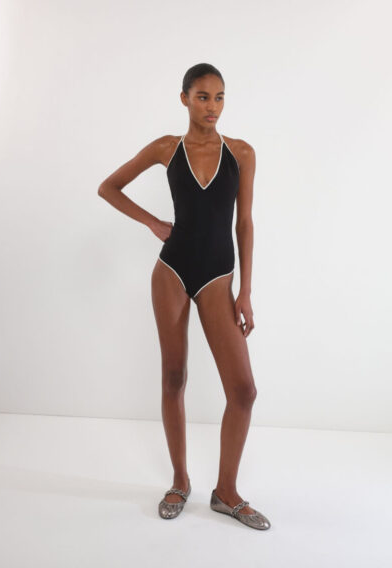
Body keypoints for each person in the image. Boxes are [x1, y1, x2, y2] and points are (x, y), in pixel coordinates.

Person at [98, 63, 270, 530]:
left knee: (244, 391)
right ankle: (179, 481)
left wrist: (245, 291)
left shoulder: (241, 153)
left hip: (218, 277)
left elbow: (244, 223)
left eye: (219, 97)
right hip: (172, 272)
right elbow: (108, 187)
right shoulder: (166, 148)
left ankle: (226, 492)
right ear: (184, 99)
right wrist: (153, 223)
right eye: (202, 97)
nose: (212, 106)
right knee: (173, 377)